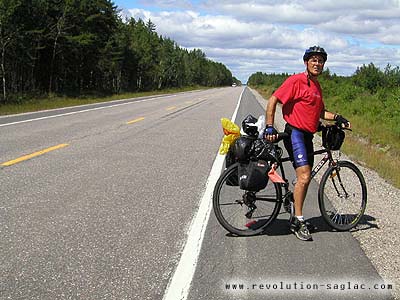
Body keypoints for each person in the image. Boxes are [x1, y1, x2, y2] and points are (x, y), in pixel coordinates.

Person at [264, 46, 351, 241]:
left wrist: (338, 117)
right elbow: (273, 99)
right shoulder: (296, 81)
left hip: (307, 136)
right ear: (306, 62)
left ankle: (295, 206)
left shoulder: (316, 87)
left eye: (320, 61)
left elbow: (320, 112)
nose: (317, 64)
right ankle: (298, 221)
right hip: (295, 133)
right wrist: (269, 126)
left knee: (305, 176)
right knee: (304, 176)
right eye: (314, 60)